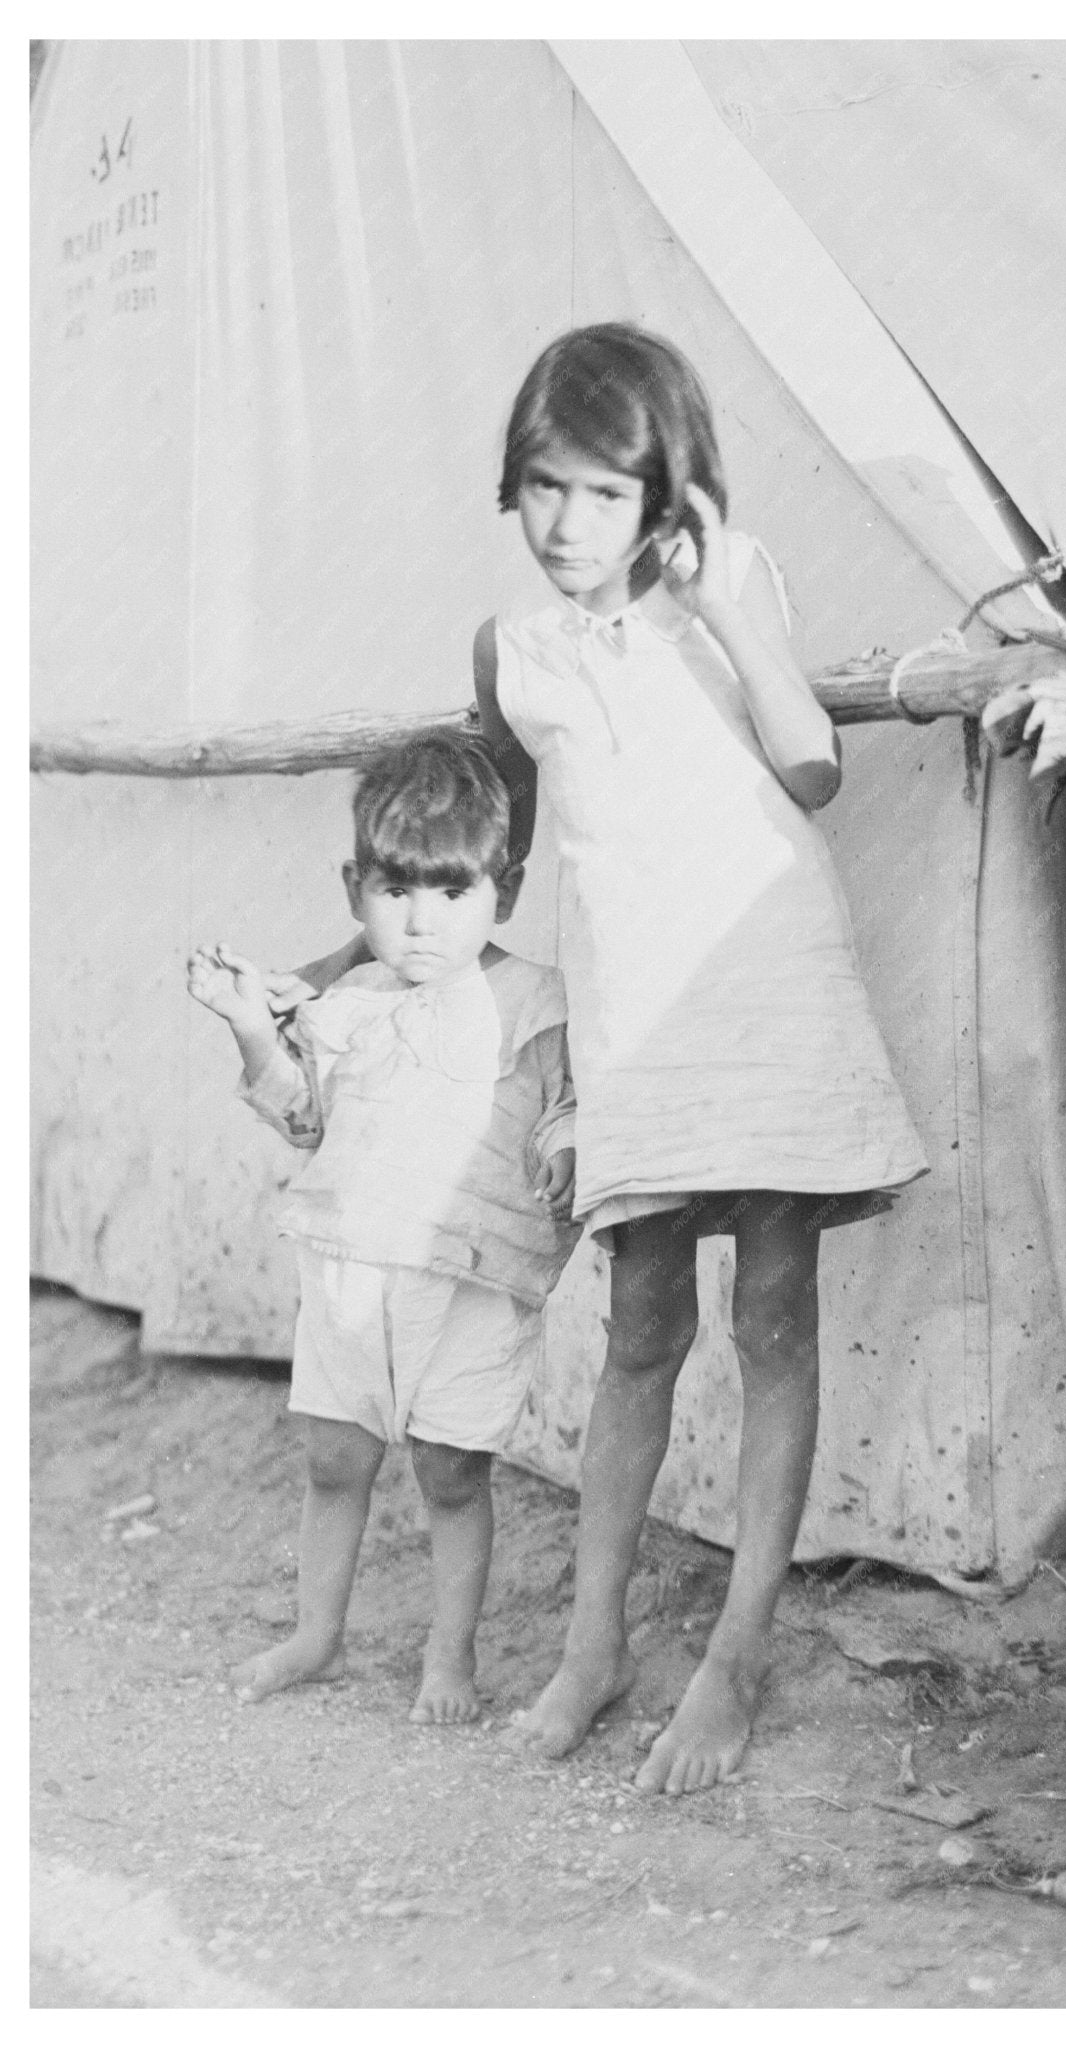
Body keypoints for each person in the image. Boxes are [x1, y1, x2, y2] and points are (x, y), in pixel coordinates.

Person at [474, 322, 927, 1793]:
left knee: (776, 1313)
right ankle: (594, 1645)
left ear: (670, 493)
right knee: (642, 1329)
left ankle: (736, 1660)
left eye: (604, 494)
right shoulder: (513, 653)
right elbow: (505, 857)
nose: (564, 524)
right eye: (544, 486)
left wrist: (731, 610)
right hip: (636, 1020)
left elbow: (813, 766)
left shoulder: (735, 586)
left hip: (767, 979)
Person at [188, 732, 581, 1725]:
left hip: (468, 1282)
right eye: (395, 891)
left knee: (451, 1471)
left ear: (507, 886)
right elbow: (303, 1117)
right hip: (350, 1268)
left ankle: (449, 1652)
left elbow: (575, 1100)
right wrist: (247, 1024)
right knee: (335, 1457)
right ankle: (317, 1634)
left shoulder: (532, 1000)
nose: (418, 923)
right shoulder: (348, 1001)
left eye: (451, 893)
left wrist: (568, 1139)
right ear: (354, 885)